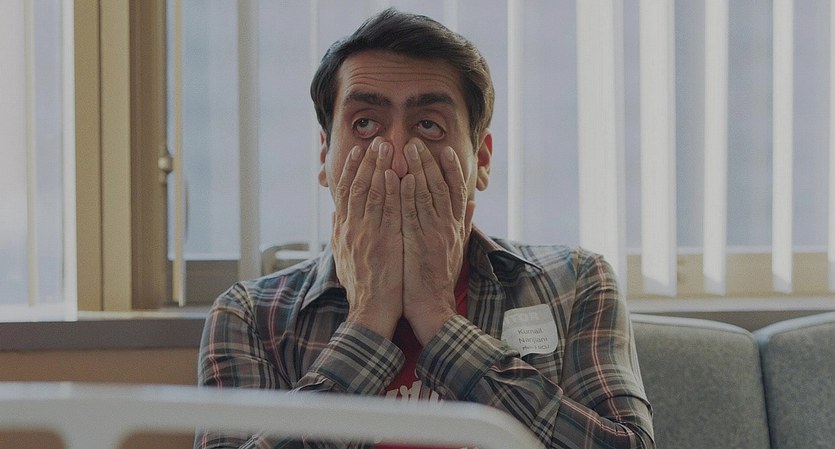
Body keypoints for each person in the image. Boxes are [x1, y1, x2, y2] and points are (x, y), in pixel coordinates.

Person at [196, 8, 654, 449]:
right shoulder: (251, 316)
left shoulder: (575, 282)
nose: (396, 157)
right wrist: (368, 320)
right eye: (365, 123)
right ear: (324, 156)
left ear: (481, 160)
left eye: (429, 125)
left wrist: (438, 318)